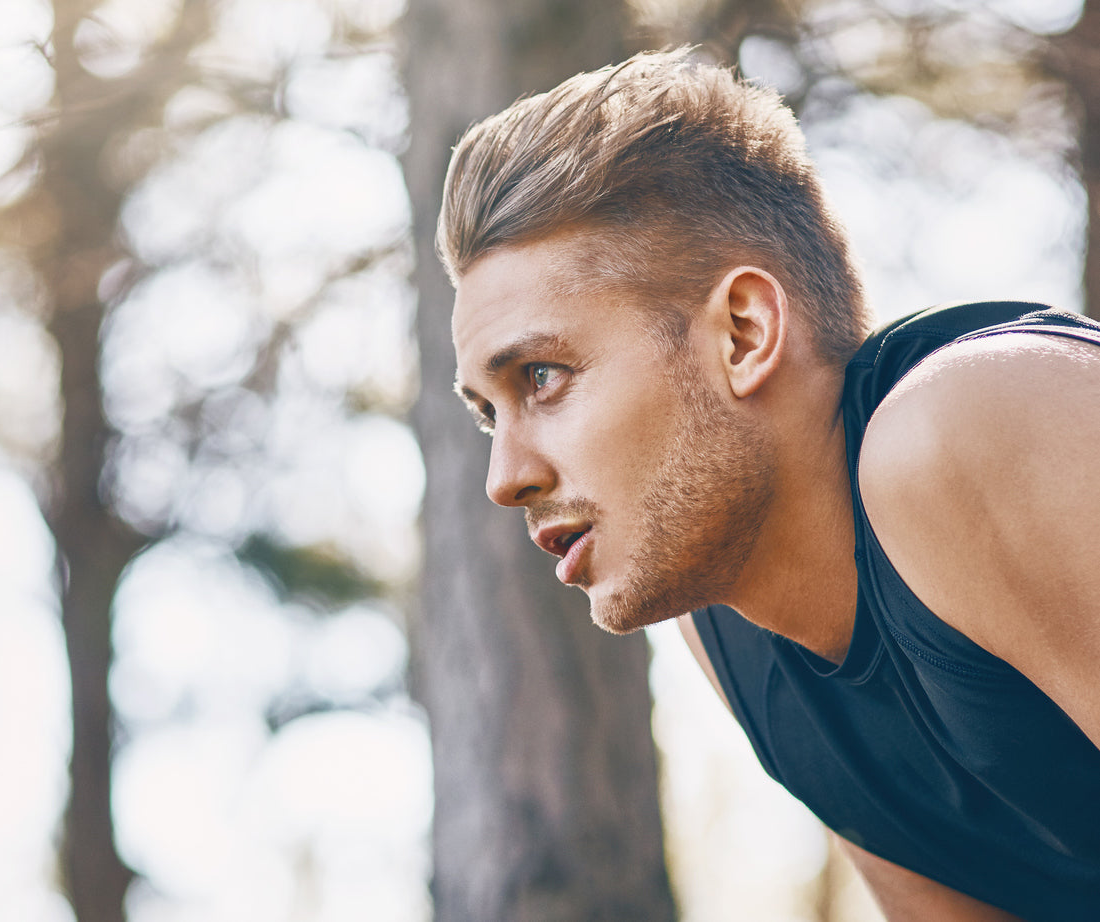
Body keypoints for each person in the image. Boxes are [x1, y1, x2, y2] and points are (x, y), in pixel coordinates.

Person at [439, 47, 1100, 921]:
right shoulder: (726, 630)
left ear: (743, 334)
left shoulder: (967, 425)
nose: (505, 478)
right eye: (489, 414)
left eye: (542, 376)